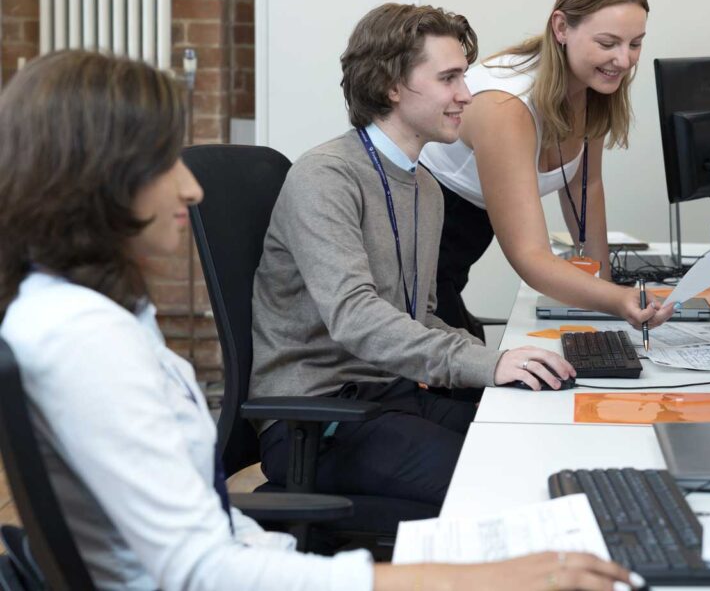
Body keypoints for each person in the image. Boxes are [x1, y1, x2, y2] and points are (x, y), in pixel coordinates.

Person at [0, 50, 643, 591]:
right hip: (331, 411)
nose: (189, 189)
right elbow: (198, 569)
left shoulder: (102, 314)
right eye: (163, 164)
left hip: (346, 428)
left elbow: (210, 530)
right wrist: (460, 577)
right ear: (95, 179)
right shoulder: (85, 342)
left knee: (516, 461)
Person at [250, 3, 576, 510]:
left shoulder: (424, 185)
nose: (466, 95)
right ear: (391, 86)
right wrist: (487, 363)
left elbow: (418, 316)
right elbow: (355, 318)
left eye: (463, 77)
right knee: (501, 478)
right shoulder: (326, 177)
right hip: (317, 418)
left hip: (390, 396)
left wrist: (504, 360)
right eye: (448, 78)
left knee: (533, 442)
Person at [419, 0, 675, 340]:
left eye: (635, 43)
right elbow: (530, 256)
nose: (624, 60)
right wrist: (618, 300)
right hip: (416, 250)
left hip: (458, 246)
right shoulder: (507, 107)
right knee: (467, 385)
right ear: (561, 28)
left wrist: (605, 294)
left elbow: (586, 185)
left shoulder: (590, 88)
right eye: (608, 43)